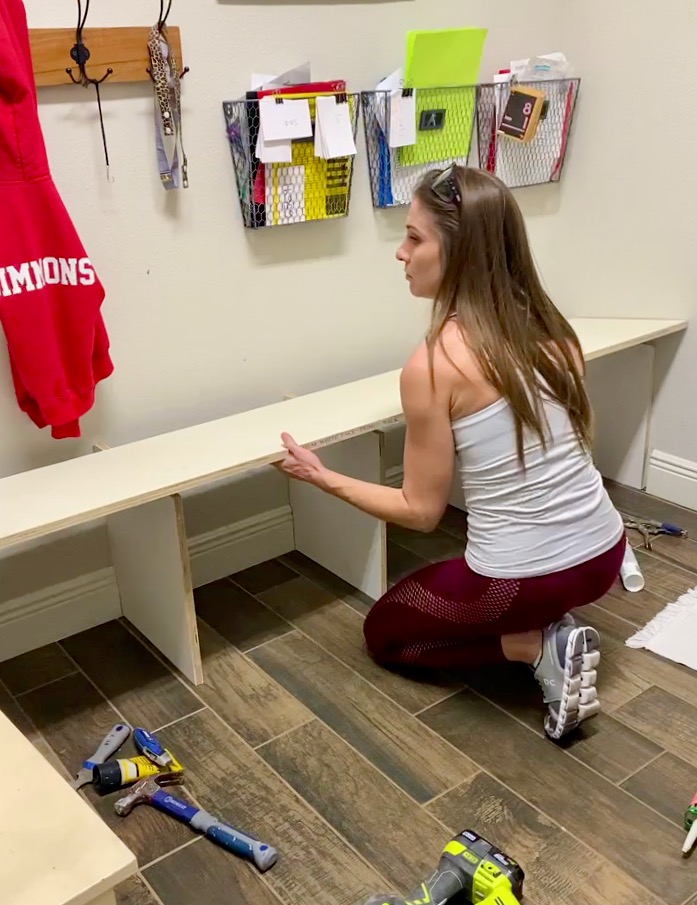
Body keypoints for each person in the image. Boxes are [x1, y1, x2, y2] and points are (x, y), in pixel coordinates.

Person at [275, 164, 626, 741]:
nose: (400, 253)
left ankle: (535, 645)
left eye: (414, 238)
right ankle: (549, 621)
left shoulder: (433, 367)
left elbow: (421, 512)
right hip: (605, 557)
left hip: (521, 582)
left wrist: (321, 477)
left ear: (459, 252)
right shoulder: (553, 331)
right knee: (448, 575)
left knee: (387, 632)